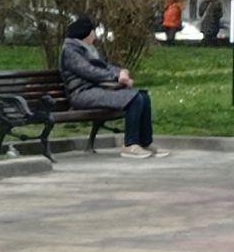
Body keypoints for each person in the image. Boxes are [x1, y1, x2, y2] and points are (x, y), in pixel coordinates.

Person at [60, 15, 163, 159]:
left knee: (143, 96)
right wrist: (116, 77)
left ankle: (145, 142)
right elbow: (88, 71)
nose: (95, 36)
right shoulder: (71, 50)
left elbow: (105, 66)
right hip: (82, 93)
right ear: (86, 33)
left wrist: (121, 72)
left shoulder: (87, 49)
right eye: (93, 32)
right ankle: (130, 144)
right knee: (134, 98)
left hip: (97, 90)